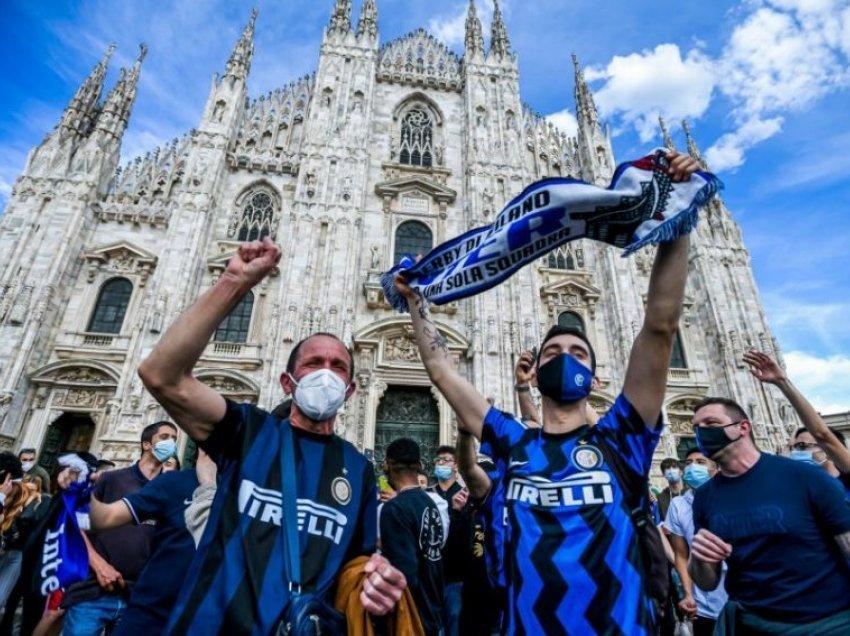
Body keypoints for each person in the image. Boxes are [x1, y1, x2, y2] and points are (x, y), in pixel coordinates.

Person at [395, 149, 701, 634]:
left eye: (578, 351)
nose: (564, 356)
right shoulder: (514, 443)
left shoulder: (622, 439)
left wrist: (679, 215)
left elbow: (660, 325)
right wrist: (416, 303)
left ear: (596, 378)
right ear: (534, 374)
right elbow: (442, 371)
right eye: (552, 351)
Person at [137, 236, 405, 634]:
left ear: (351, 389)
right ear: (287, 382)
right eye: (314, 363)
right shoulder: (249, 432)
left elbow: (355, 564)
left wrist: (377, 580)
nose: (326, 373)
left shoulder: (358, 469)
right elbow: (162, 375)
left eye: (338, 367)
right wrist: (234, 282)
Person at [688, 397, 850, 633]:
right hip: (753, 622)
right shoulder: (704, 497)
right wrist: (699, 559)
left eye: (710, 424)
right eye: (696, 427)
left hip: (826, 622)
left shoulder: (805, 477)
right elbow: (707, 582)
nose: (701, 432)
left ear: (743, 427)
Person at [60, 421, 178, 636]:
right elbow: (75, 524)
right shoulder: (112, 479)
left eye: (175, 439)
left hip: (139, 598)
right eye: (165, 437)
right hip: (94, 590)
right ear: (146, 444)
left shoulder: (170, 489)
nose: (171, 443)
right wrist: (98, 564)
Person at [87, 450, 214, 634]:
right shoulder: (175, 482)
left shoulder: (252, 491)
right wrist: (81, 491)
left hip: (206, 618)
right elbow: (104, 518)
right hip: (150, 615)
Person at [744, 349, 850, 480]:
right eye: (794, 447)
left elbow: (822, 434)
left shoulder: (844, 483)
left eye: (801, 446)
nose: (795, 453)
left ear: (830, 452)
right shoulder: (793, 493)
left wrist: (783, 382)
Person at [380, 438, 445, 635]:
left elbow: (403, 574)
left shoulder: (394, 508)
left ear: (387, 465)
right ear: (419, 466)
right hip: (432, 610)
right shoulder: (430, 504)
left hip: (409, 617)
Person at [663, 447, 727, 636]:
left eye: (701, 462)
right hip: (705, 605)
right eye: (688, 463)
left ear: (716, 469)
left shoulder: (734, 497)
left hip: (742, 598)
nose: (692, 467)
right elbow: (682, 555)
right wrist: (688, 594)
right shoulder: (678, 505)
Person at [429, 445, 469, 636]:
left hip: (456, 574)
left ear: (456, 466)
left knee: (454, 619)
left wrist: (458, 512)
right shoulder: (428, 494)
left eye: (446, 460)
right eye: (438, 461)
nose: (441, 463)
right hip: (431, 573)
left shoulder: (465, 495)